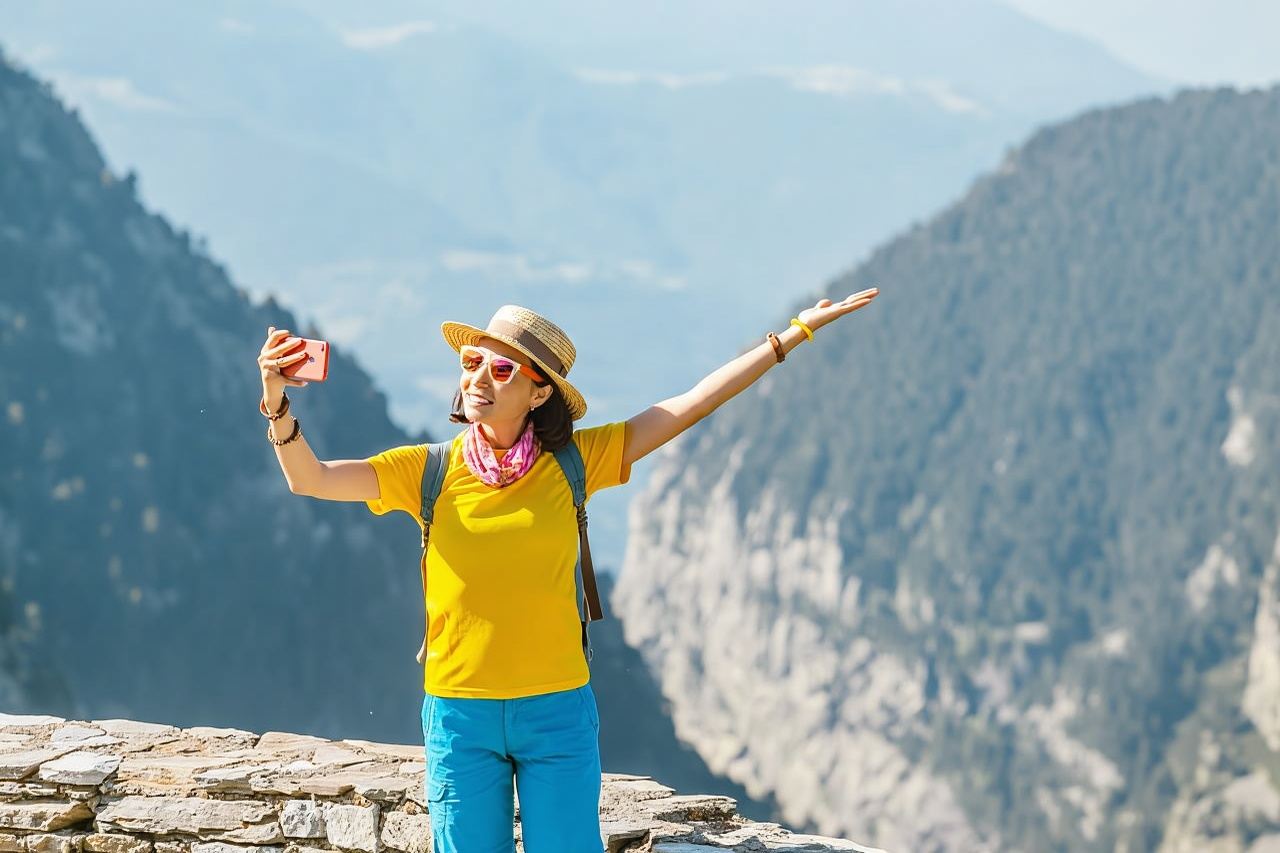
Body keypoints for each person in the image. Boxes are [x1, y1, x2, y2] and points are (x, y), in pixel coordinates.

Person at [256, 293, 877, 853]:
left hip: (555, 710)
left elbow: (688, 405)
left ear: (539, 393)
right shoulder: (426, 471)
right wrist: (277, 400)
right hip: (458, 713)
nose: (478, 379)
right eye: (472, 361)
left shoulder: (577, 463)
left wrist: (790, 336)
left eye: (501, 370)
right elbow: (309, 479)